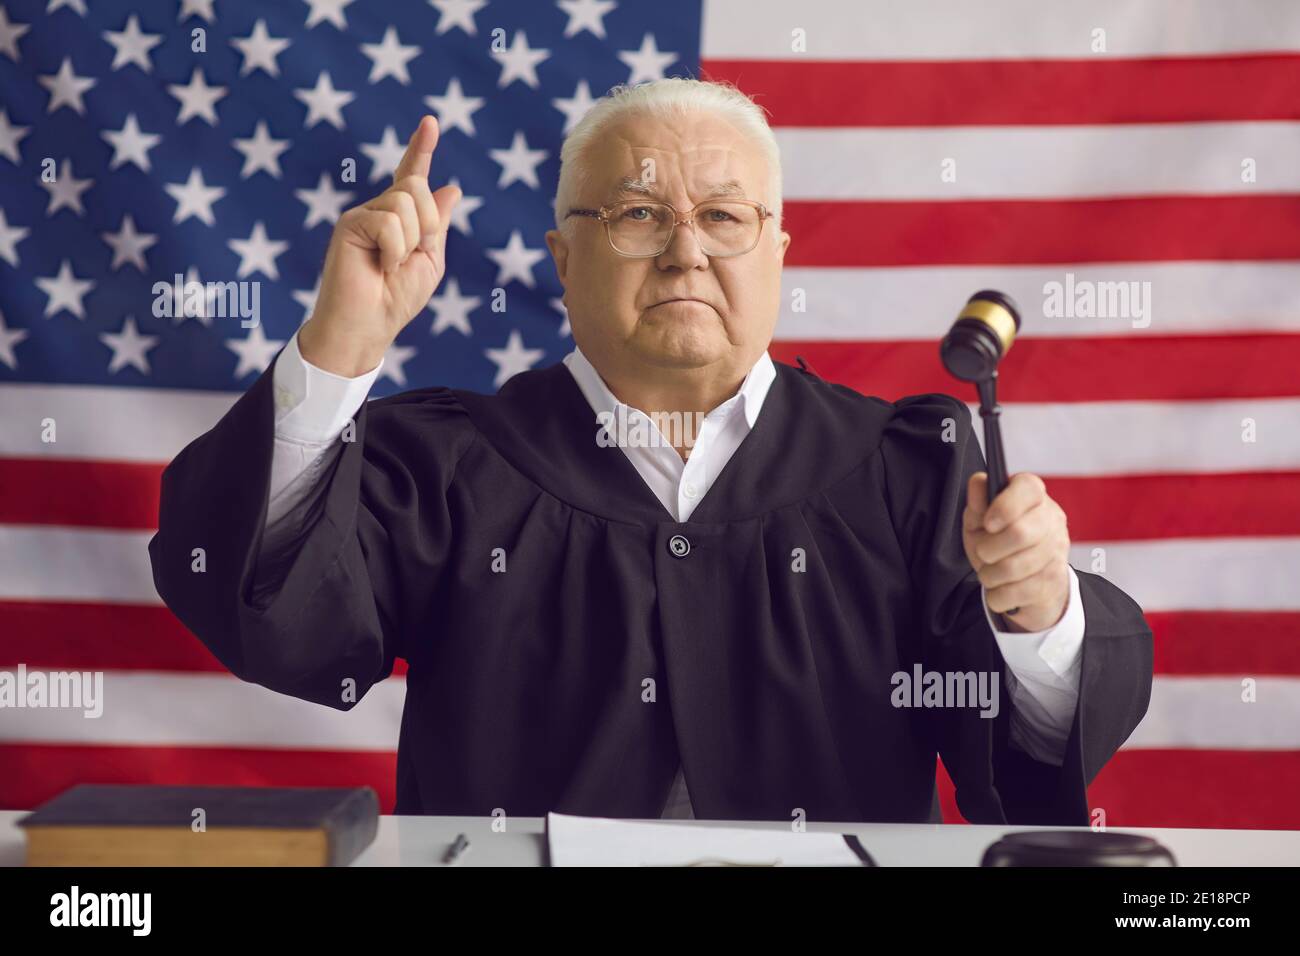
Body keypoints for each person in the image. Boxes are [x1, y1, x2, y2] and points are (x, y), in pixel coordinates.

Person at [149, 78, 1152, 823]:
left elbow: (1021, 770)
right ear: (562, 256)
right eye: (636, 214)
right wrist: (342, 342)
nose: (685, 249)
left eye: (723, 216)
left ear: (777, 253)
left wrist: (1036, 611)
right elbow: (265, 611)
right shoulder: (451, 463)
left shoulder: (912, 468)